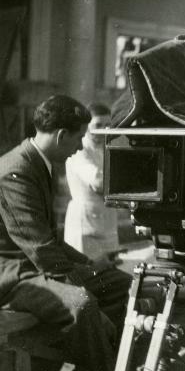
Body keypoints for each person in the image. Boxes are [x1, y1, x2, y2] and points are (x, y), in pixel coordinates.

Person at [0, 95, 131, 371]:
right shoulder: (15, 171)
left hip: (33, 266)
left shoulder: (39, 162)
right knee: (82, 304)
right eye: (79, 138)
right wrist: (84, 277)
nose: (79, 147)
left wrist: (94, 267)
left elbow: (52, 241)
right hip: (14, 274)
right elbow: (40, 248)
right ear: (61, 136)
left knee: (120, 284)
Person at [64, 103, 119, 262]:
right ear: (87, 126)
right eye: (98, 125)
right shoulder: (79, 149)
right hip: (86, 223)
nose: (104, 129)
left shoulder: (107, 147)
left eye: (108, 125)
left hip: (108, 221)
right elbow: (98, 182)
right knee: (89, 274)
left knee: (110, 274)